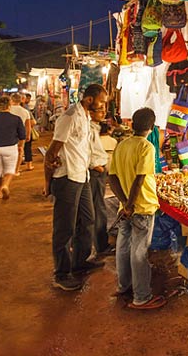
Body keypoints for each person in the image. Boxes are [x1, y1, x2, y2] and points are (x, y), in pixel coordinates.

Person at [43, 84, 109, 292]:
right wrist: (48, 184)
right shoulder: (70, 117)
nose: (104, 105)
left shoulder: (85, 118)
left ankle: (79, 261)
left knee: (88, 219)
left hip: (83, 176)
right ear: (90, 100)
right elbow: (52, 153)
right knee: (65, 228)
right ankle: (61, 273)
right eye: (102, 101)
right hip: (68, 178)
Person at [108, 107, 167, 309]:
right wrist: (131, 204)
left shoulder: (122, 145)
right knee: (139, 252)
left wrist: (124, 203)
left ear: (132, 124)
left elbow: (112, 177)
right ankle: (141, 296)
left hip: (126, 207)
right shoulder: (147, 147)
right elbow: (140, 179)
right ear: (151, 127)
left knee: (123, 247)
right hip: (141, 206)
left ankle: (124, 285)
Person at [88, 104, 111, 256]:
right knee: (98, 208)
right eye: (100, 109)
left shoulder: (94, 128)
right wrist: (98, 167)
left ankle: (99, 244)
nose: (103, 112)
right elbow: (86, 151)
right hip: (95, 172)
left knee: (98, 208)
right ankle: (100, 245)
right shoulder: (88, 129)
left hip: (98, 171)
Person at [10, 93, 34, 173]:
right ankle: (16, 170)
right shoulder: (24, 111)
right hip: (20, 133)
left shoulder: (5, 111)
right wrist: (28, 135)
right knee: (19, 150)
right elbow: (28, 125)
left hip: (5, 134)